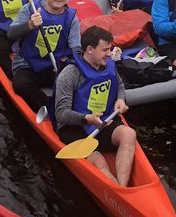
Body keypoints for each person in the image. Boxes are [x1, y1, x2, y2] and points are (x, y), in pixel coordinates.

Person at [54, 26, 137, 186]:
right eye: (105, 50)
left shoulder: (109, 65)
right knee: (98, 159)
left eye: (110, 49)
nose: (109, 54)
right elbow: (61, 114)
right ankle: (116, 191)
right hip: (75, 126)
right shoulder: (70, 74)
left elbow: (119, 84)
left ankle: (122, 186)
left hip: (104, 120)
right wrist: (87, 118)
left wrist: (120, 99)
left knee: (129, 134)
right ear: (90, 49)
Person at [6, 0, 81, 114]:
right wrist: (30, 25)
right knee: (20, 84)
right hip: (27, 65)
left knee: (77, 84)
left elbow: (76, 48)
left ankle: (75, 111)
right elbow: (11, 34)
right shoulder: (30, 9)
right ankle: (50, 110)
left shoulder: (72, 18)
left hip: (54, 66)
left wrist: (70, 66)